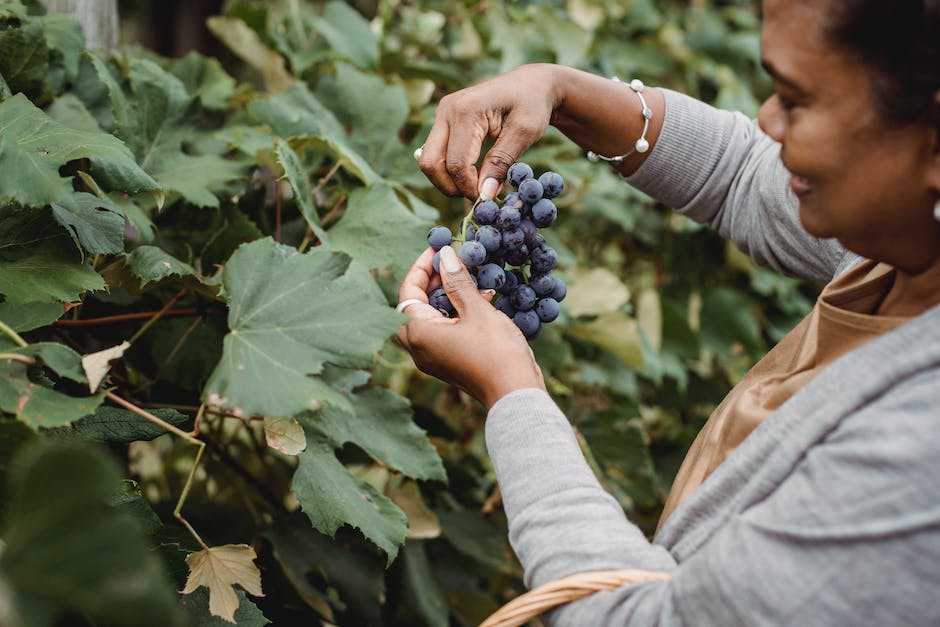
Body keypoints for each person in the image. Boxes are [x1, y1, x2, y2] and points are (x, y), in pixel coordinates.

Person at [397, 0, 940, 623]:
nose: (767, 120)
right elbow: (741, 172)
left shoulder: (922, 457)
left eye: (795, 100)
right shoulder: (914, 241)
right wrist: (561, 89)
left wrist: (510, 393)